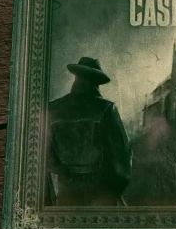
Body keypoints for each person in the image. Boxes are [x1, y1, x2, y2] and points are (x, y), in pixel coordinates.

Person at [45, 57, 131, 207]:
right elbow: (122, 154)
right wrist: (114, 190)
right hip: (99, 191)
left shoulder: (52, 108)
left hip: (66, 191)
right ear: (96, 82)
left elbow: (44, 153)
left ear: (76, 77)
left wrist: (64, 171)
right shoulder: (106, 108)